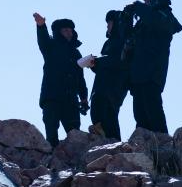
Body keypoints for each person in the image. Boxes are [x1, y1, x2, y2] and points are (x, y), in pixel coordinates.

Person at [121, 0, 182, 134]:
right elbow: (127, 36)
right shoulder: (144, 21)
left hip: (152, 74)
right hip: (137, 74)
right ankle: (144, 143)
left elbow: (156, 20)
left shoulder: (165, 16)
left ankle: (163, 142)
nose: (145, 2)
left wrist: (137, 6)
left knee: (153, 111)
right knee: (140, 114)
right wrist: (126, 17)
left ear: (156, 0)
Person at [33, 12, 89, 147]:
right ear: (58, 32)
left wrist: (84, 98)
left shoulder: (76, 53)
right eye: (65, 30)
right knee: (51, 136)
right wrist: (41, 26)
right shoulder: (51, 46)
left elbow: (80, 78)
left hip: (71, 101)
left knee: (75, 136)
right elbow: (43, 40)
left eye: (70, 30)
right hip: (52, 98)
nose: (69, 33)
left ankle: (74, 160)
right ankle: (51, 158)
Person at [87, 10, 129, 139]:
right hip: (102, 85)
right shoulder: (110, 42)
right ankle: (104, 142)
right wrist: (94, 65)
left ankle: (115, 145)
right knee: (97, 112)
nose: (107, 26)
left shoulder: (124, 40)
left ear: (117, 23)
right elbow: (105, 66)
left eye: (109, 23)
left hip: (114, 87)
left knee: (108, 116)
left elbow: (118, 61)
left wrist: (98, 62)